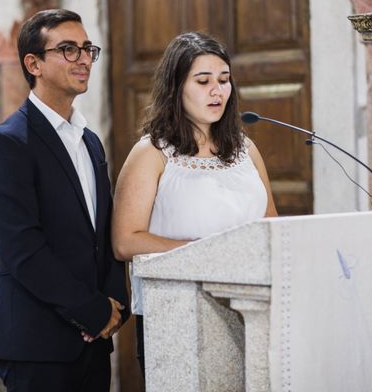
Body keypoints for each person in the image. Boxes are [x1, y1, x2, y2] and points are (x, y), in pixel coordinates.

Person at [0, 9, 129, 391]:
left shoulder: (89, 141)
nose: (83, 59)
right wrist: (91, 312)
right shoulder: (7, 144)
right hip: (37, 342)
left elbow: (103, 230)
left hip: (94, 342)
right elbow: (22, 249)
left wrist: (114, 306)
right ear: (34, 63)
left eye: (86, 49)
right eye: (67, 49)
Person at [111, 31, 277, 374]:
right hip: (177, 311)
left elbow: (270, 224)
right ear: (176, 88)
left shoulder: (246, 149)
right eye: (203, 81)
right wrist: (204, 253)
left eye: (224, 79)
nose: (218, 91)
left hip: (251, 305)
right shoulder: (152, 153)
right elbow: (125, 240)